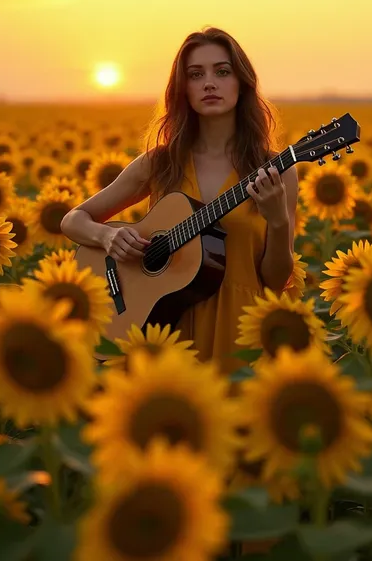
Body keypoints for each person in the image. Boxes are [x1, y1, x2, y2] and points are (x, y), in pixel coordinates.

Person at [61, 26, 298, 373]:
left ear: (242, 82)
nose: (209, 83)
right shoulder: (161, 162)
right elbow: (74, 220)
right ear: (182, 89)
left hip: (240, 328)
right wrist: (108, 236)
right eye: (195, 74)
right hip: (164, 329)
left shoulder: (273, 170)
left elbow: (277, 280)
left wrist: (277, 221)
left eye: (222, 71)